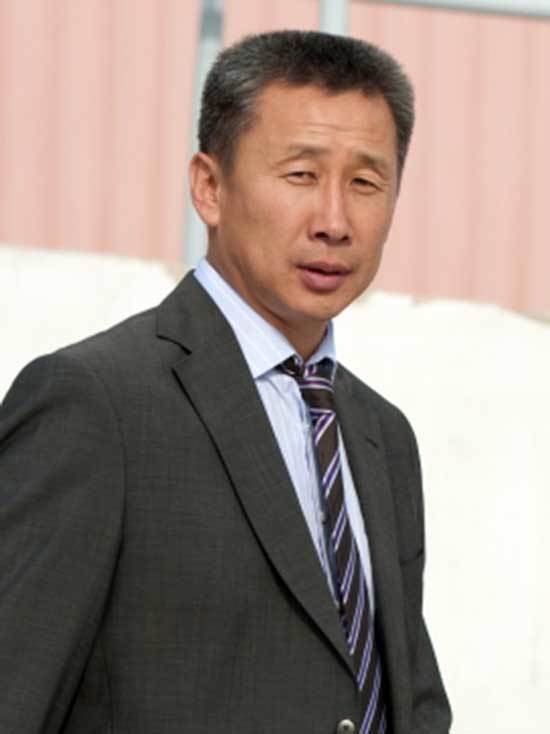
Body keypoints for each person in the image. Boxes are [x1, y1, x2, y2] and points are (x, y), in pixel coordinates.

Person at [0, 30, 451, 734]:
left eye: (365, 183)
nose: (334, 222)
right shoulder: (97, 404)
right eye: (301, 175)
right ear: (209, 188)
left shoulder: (381, 435)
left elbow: (401, 699)